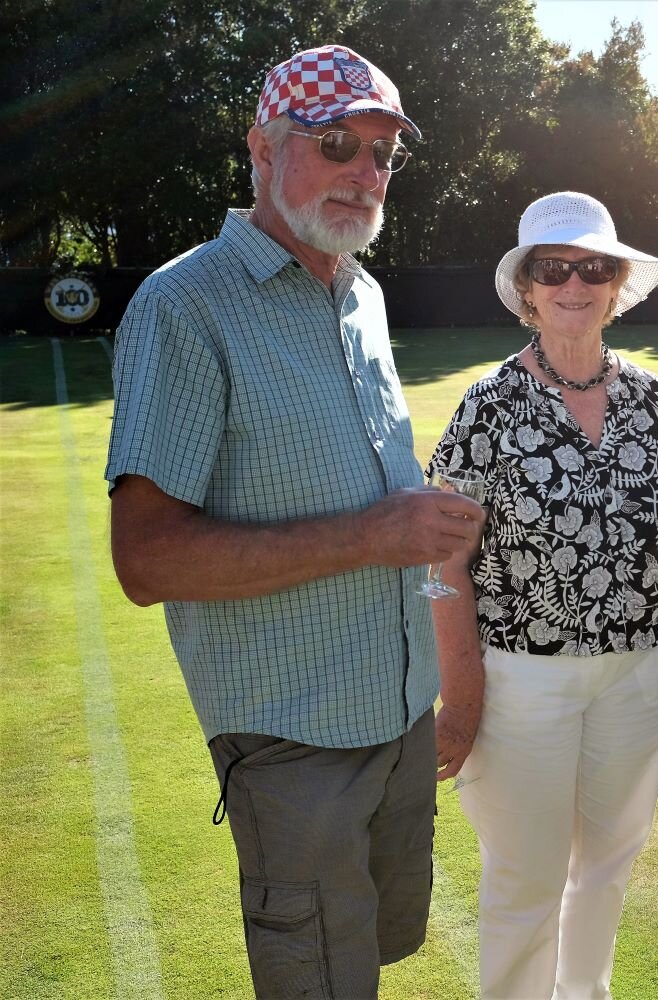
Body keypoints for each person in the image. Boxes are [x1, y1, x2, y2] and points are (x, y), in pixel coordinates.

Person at [105, 45, 483, 997]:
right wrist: (372, 535)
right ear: (262, 150)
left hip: (396, 716)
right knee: (318, 979)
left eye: (383, 153)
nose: (365, 170)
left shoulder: (362, 294)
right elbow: (145, 559)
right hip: (291, 741)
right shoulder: (184, 305)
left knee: (368, 956)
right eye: (337, 142)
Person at [429, 191, 658, 1000]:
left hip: (641, 669)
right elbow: (441, 562)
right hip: (522, 679)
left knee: (607, 869)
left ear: (616, 284)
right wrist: (462, 690)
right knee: (525, 881)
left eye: (594, 267)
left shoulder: (655, 398)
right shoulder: (487, 405)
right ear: (529, 292)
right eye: (555, 269)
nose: (575, 283)